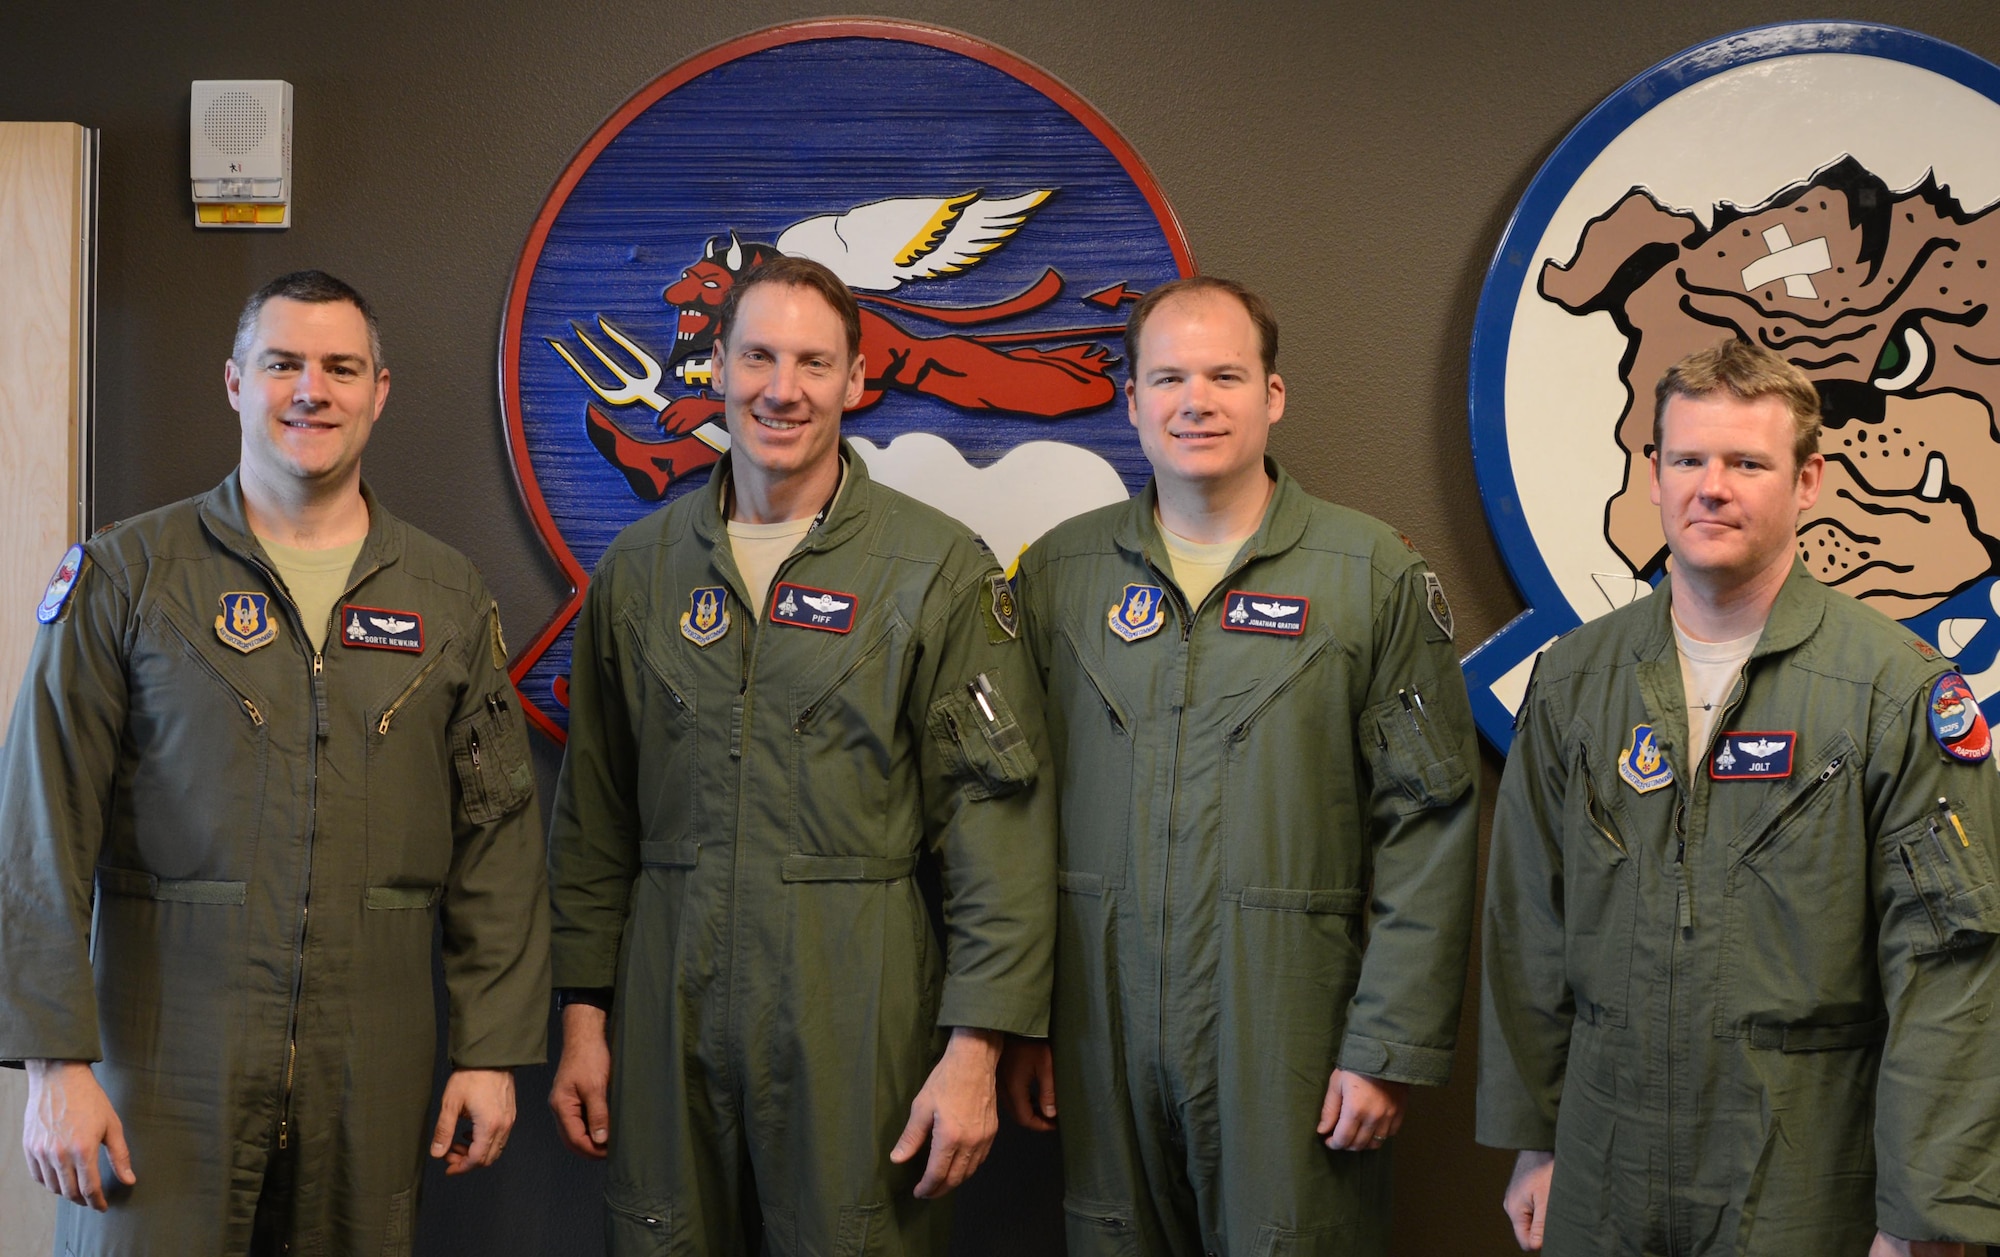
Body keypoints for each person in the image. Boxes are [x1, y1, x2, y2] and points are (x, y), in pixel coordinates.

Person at [0, 270, 550, 1255]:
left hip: (371, 1068)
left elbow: (498, 837)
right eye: (283, 363)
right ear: (233, 382)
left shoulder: (445, 595)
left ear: (379, 391)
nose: (313, 390)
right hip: (163, 1063)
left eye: (342, 368)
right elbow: (37, 830)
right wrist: (54, 1068)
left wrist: (491, 1050)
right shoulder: (129, 575)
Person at [545, 255, 1056, 1254]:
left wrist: (974, 1049)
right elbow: (595, 816)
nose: (782, 389)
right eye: (758, 358)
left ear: (857, 380)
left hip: (855, 1002)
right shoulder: (640, 570)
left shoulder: (934, 569)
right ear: (715, 370)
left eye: (812, 363)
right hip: (665, 998)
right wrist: (582, 1015)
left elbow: (995, 828)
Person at [1479, 339, 2000, 1255]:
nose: (1711, 486)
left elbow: (1951, 969)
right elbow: (1529, 922)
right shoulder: (1574, 681)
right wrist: (1536, 1140)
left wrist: (1924, 1215)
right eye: (1688, 458)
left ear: (1808, 482)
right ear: (1653, 474)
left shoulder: (1894, 691)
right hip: (1604, 1155)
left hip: (1807, 1167)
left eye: (1747, 462)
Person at [1000, 276, 1480, 1255]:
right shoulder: (1056, 576)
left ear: (1272, 395)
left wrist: (1386, 1046)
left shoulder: (1368, 575)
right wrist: (1026, 1019)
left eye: (1224, 374)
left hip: (1290, 1030)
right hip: (1100, 1027)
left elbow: (1425, 821)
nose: (1194, 400)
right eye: (1166, 376)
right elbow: (1010, 818)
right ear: (1128, 400)